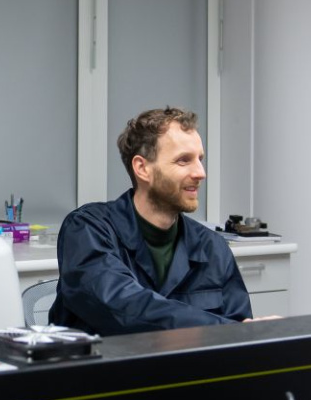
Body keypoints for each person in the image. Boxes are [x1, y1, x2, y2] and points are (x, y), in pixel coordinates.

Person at [49, 107, 254, 336]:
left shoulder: (212, 247)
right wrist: (225, 329)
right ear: (142, 168)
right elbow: (123, 306)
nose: (200, 173)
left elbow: (240, 334)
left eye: (200, 159)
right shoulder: (88, 229)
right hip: (107, 361)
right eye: (184, 160)